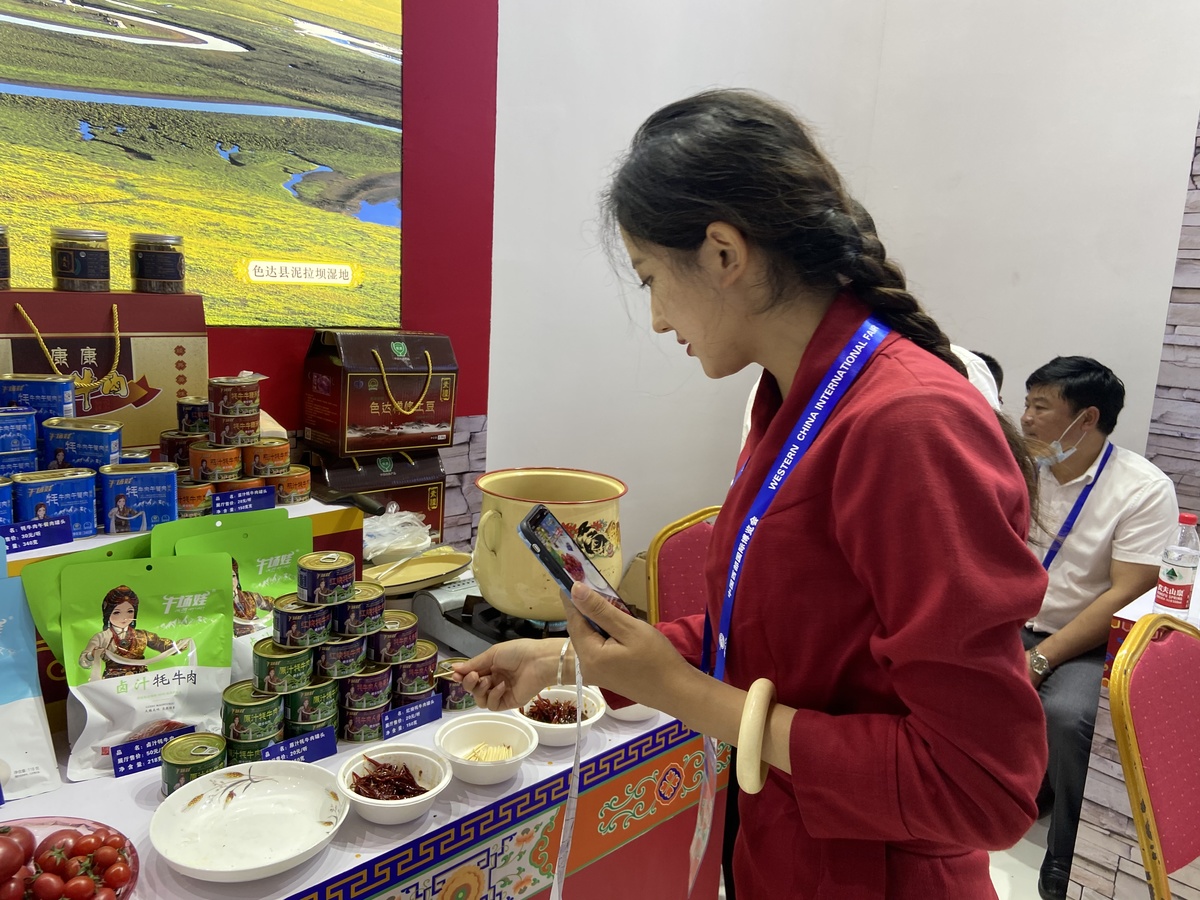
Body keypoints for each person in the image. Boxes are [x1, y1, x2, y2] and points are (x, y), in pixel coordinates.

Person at [454, 89, 1050, 898]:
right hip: (784, 854)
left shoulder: (906, 425)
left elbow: (980, 785)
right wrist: (568, 661)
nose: (657, 319)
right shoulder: (788, 403)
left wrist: (688, 696)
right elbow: (776, 639)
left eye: (652, 279)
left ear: (723, 253)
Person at [1019, 356, 1177, 900]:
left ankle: (1066, 855)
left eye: (1041, 407)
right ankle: (995, 797)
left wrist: (1041, 658)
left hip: (1090, 639)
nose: (1026, 418)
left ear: (1086, 419)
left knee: (1070, 717)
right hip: (1013, 621)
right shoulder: (1023, 468)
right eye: (1027, 403)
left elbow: (1126, 590)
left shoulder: (1142, 488)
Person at [77, 585, 193, 680]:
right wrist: (92, 655)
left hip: (141, 679)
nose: (124, 617)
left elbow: (162, 645)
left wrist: (179, 645)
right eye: (117, 612)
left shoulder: (142, 635)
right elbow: (83, 662)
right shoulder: (102, 637)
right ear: (108, 614)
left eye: (130, 611)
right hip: (113, 682)